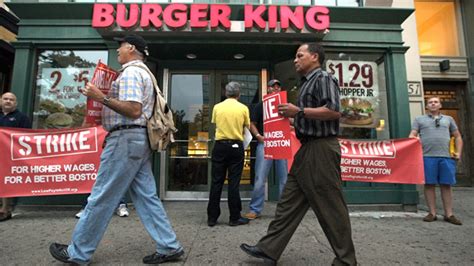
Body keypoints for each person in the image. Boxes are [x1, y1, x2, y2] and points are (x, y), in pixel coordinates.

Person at [49, 34, 184, 264]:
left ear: (131, 47)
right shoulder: (143, 73)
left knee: (101, 196)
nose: (118, 50)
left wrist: (101, 97)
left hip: (126, 137)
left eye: (120, 46)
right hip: (135, 139)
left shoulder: (131, 72)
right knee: (146, 197)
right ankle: (169, 246)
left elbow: (133, 109)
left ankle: (78, 253)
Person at [240, 43, 357, 265]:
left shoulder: (323, 78)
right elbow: (310, 117)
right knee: (288, 202)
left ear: (314, 57)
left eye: (299, 55)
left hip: (321, 149)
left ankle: (346, 259)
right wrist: (291, 120)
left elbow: (334, 111)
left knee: (331, 207)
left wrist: (299, 111)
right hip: (307, 149)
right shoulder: (306, 84)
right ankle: (268, 249)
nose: (295, 60)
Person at [409, 96, 463, 225]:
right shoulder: (419, 119)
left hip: (446, 157)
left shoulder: (449, 119)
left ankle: (449, 214)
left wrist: (459, 153)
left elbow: (458, 136)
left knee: (446, 185)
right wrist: (414, 139)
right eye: (430, 102)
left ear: (440, 105)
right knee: (429, 185)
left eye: (435, 102)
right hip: (427, 157)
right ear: (427, 106)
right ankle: (432, 213)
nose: (433, 104)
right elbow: (412, 135)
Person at [207, 81, 251, 227]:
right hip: (235, 146)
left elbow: (215, 124)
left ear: (226, 93)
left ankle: (212, 218)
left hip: (220, 146)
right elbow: (247, 126)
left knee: (216, 182)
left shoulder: (217, 107)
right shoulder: (243, 108)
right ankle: (234, 217)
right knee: (234, 183)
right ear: (238, 94)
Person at [244, 79, 288, 220]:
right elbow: (251, 123)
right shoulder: (260, 106)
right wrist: (258, 136)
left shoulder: (286, 106)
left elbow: (293, 121)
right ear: (268, 89)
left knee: (285, 180)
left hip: (281, 143)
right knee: (260, 178)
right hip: (265, 144)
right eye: (272, 86)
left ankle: (283, 211)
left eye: (277, 86)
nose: (275, 88)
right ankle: (255, 209)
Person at [0, 92, 32, 222]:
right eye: (5, 99)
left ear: (16, 103)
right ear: (1, 101)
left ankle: (5, 209)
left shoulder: (22, 118)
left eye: (11, 99)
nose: (8, 101)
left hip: (11, 155)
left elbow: (27, 136)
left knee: (6, 180)